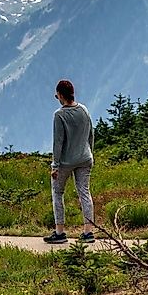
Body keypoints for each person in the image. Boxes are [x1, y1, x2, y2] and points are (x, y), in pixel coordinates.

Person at [44, 79, 95, 244]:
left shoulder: (59, 115)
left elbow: (58, 142)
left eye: (56, 95)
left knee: (57, 193)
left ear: (60, 95)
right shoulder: (84, 110)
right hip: (85, 158)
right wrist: (90, 152)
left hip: (66, 161)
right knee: (84, 193)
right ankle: (88, 233)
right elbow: (91, 134)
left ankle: (60, 233)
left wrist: (55, 166)